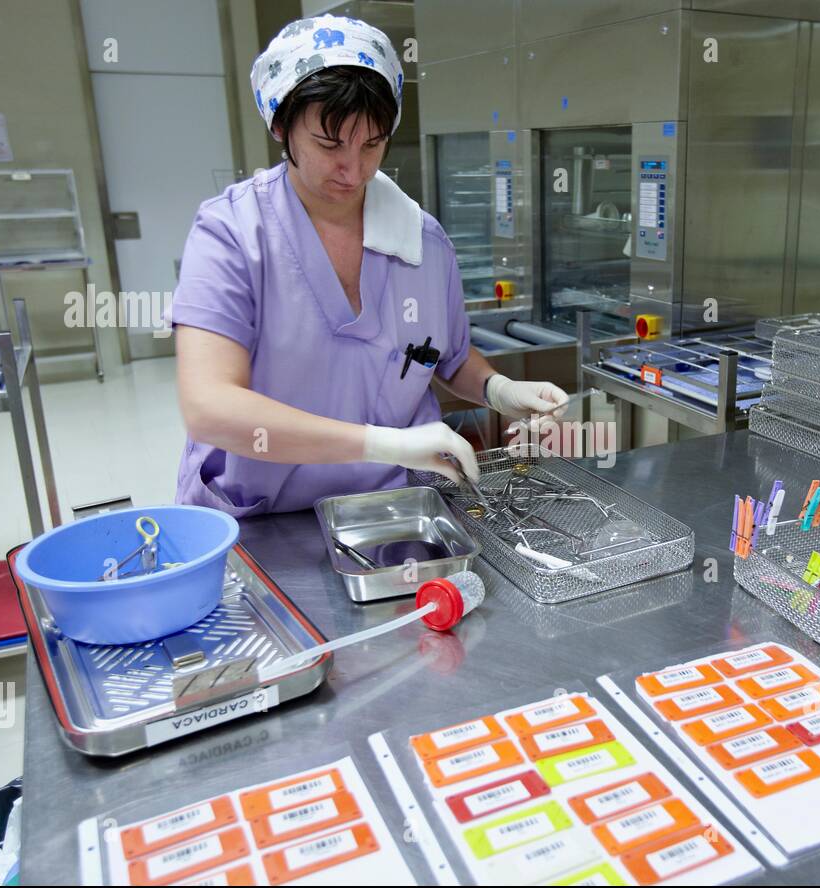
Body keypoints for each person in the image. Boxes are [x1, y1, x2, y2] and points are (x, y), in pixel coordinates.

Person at [169, 14, 566, 517]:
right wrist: (380, 443)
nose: (353, 169)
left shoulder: (421, 242)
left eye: (372, 144)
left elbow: (445, 357)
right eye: (329, 144)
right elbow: (210, 407)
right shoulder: (232, 235)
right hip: (262, 518)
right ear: (279, 124)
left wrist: (499, 389)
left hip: (392, 507)